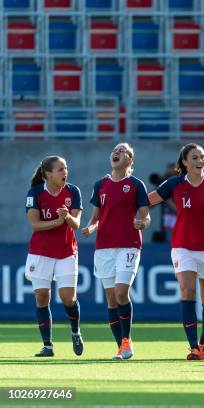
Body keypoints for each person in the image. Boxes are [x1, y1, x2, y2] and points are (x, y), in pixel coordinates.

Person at [148, 144, 204, 360]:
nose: (199, 160)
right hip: (182, 246)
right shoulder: (175, 183)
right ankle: (193, 346)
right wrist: (135, 214)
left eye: (202, 156)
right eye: (194, 157)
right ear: (185, 162)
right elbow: (147, 200)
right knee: (187, 292)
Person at [81, 143, 150, 360]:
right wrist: (91, 227)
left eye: (122, 151)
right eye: (114, 150)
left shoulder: (136, 185)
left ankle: (127, 341)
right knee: (111, 300)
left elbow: (146, 216)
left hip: (129, 244)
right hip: (103, 247)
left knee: (121, 292)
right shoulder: (100, 184)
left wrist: (143, 223)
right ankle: (120, 347)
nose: (116, 153)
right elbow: (96, 216)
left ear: (130, 159)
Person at [25, 156, 83, 357]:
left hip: (66, 251)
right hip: (40, 252)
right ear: (47, 174)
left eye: (65, 168)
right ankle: (47, 345)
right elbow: (35, 225)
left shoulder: (73, 191)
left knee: (68, 298)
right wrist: (58, 222)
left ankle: (75, 332)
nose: (64, 172)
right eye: (59, 169)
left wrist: (66, 217)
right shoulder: (35, 193)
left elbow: (76, 224)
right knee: (42, 297)